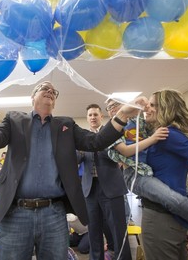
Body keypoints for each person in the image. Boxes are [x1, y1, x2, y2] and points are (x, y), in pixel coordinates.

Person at [0, 81, 141, 260]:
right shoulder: (14, 119)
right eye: (44, 88)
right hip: (16, 213)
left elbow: (96, 142)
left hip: (53, 214)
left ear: (55, 101)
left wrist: (122, 115)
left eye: (53, 91)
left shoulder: (66, 125)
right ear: (32, 97)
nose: (49, 91)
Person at [106, 97, 188, 244]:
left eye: (116, 104)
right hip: (135, 175)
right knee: (172, 198)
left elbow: (150, 117)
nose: (113, 108)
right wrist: (152, 139)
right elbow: (126, 152)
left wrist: (144, 105)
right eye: (109, 107)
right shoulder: (112, 129)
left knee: (185, 196)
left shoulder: (136, 121)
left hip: (148, 170)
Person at [136, 89, 188, 259]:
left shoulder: (168, 135)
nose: (146, 108)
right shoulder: (160, 135)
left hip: (161, 220)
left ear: (165, 109)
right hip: (170, 218)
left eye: (152, 105)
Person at [78, 103, 131, 260]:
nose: (93, 117)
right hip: (90, 189)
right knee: (94, 230)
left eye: (96, 114)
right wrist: (77, 150)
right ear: (87, 119)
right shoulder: (83, 139)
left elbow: (118, 155)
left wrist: (99, 144)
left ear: (102, 116)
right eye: (90, 115)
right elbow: (76, 159)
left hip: (111, 187)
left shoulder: (112, 133)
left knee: (118, 231)